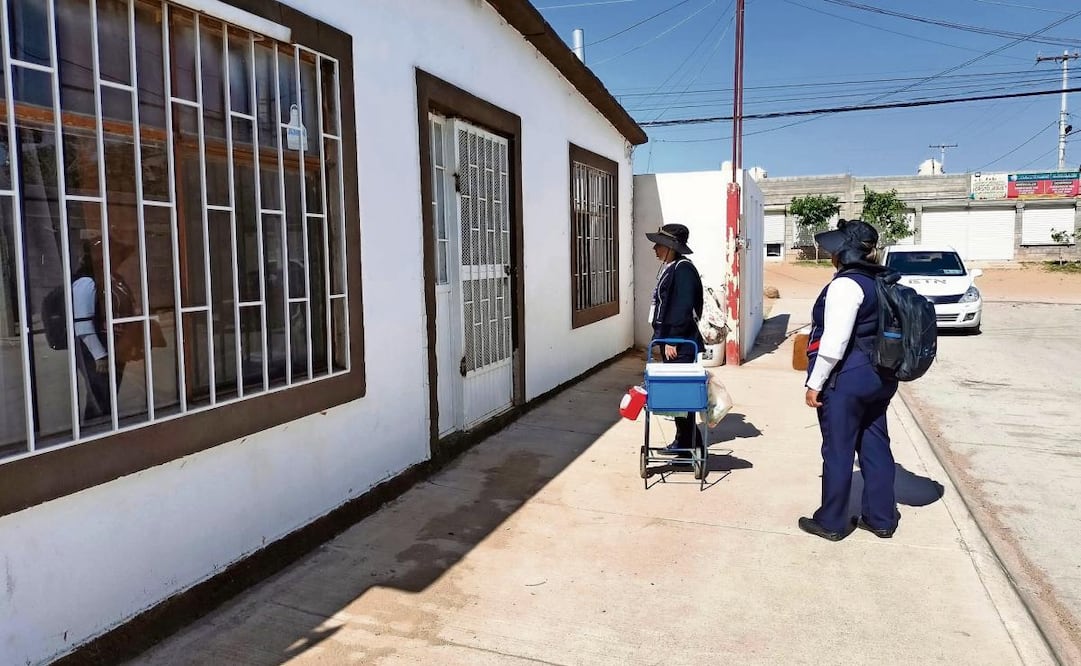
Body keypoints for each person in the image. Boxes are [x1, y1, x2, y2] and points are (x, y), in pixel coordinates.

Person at [799, 219, 900, 541]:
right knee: (875, 446)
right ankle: (881, 518)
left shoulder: (846, 284)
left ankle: (831, 522)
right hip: (881, 375)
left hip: (850, 377)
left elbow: (834, 342)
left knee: (838, 450)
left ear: (844, 253)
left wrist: (815, 382)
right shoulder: (881, 281)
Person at [646, 223, 704, 457]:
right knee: (677, 398)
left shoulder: (683, 270)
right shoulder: (671, 267)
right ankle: (684, 441)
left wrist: (673, 340)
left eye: (658, 244)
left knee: (682, 398)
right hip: (671, 341)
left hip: (680, 344)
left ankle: (690, 445)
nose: (655, 249)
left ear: (670, 246)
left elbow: (682, 308)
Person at [72, 238, 137, 422]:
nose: (119, 259)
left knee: (109, 392)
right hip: (96, 350)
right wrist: (99, 354)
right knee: (100, 395)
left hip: (116, 347)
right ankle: (96, 432)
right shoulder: (86, 282)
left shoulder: (114, 279)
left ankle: (105, 426)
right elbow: (82, 322)